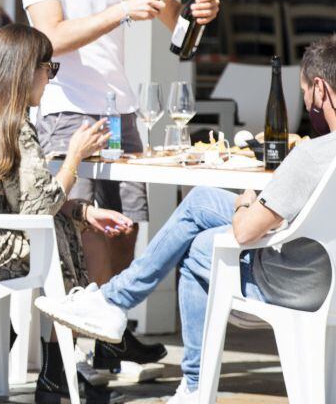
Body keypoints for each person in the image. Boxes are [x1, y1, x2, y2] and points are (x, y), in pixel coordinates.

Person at [37, 34, 336, 404]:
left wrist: (247, 202)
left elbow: (245, 232)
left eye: (305, 92)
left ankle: (175, 365)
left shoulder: (311, 156)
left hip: (294, 285)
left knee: (198, 246)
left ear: (320, 89)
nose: (305, 103)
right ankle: (117, 305)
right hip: (323, 275)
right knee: (202, 206)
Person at [17, 0, 220, 369]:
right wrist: (121, 11)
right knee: (84, 229)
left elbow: (179, 31)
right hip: (68, 107)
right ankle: (75, 351)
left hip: (121, 108)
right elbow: (50, 38)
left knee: (126, 227)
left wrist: (197, 16)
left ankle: (110, 336)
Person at [0, 24, 130, 403]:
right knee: (59, 231)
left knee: (64, 225)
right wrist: (74, 157)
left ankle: (64, 364)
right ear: (27, 70)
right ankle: (65, 360)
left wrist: (82, 210)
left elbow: (19, 199)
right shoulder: (12, 124)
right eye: (49, 69)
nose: (50, 79)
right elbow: (39, 206)